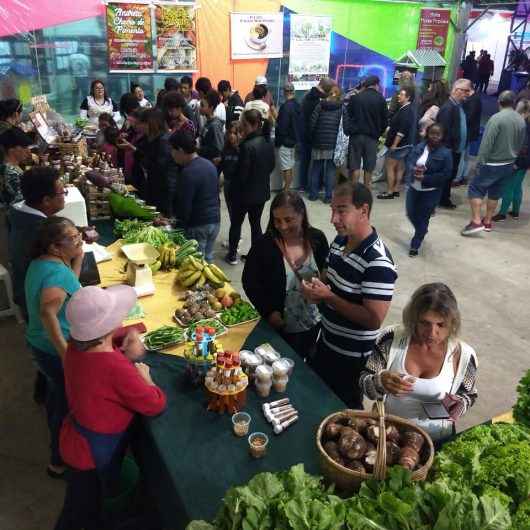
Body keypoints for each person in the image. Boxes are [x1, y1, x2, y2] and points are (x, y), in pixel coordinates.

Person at [55, 285, 166, 530]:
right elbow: (154, 403)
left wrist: (130, 333)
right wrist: (147, 379)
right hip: (92, 456)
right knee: (83, 512)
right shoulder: (116, 368)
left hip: (75, 438)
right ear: (106, 328)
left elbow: (100, 344)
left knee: (78, 502)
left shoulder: (74, 347)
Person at [301, 182, 397, 408]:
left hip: (352, 360)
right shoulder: (340, 241)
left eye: (341, 210)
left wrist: (328, 297)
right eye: (332, 210)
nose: (333, 218)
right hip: (325, 343)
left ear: (363, 211)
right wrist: (315, 288)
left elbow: (373, 319)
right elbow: (328, 277)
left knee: (343, 414)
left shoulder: (378, 262)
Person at [360, 283, 478, 443]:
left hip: (435, 441)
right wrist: (380, 382)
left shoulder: (464, 356)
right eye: (424, 323)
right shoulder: (390, 339)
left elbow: (469, 395)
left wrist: (456, 406)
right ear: (413, 318)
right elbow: (365, 384)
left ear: (452, 323)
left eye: (441, 325)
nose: (432, 333)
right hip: (387, 435)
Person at [25, 217, 83, 478]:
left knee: (55, 391)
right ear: (54, 247)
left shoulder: (43, 264)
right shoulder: (55, 273)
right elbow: (49, 312)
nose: (79, 238)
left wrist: (77, 258)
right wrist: (65, 354)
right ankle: (57, 461)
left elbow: (69, 287)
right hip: (53, 348)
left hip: (39, 342)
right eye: (72, 237)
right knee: (63, 403)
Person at [242, 191, 329, 356]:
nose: (282, 226)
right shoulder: (264, 245)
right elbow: (249, 281)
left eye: (289, 220)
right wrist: (269, 311)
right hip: (279, 327)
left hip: (312, 322)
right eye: (277, 220)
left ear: (301, 215)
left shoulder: (317, 239)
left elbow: (327, 273)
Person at [462, 90, 526, 235]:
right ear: (513, 102)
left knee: (475, 189)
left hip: (492, 163)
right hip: (508, 164)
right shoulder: (520, 119)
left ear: (499, 102)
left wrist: (479, 163)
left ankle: (476, 221)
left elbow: (486, 144)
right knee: (495, 194)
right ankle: (488, 221)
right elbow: (520, 143)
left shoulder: (496, 119)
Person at [8, 167, 67, 313]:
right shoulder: (40, 233)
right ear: (46, 200)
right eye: (62, 192)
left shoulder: (19, 212)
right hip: (39, 304)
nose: (65, 196)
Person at [225, 109, 275, 265]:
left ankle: (232, 255)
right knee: (256, 225)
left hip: (243, 195)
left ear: (253, 125)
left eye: (244, 125)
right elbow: (271, 166)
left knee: (236, 224)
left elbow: (242, 175)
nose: (242, 129)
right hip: (261, 193)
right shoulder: (268, 141)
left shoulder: (247, 146)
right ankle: (256, 257)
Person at [169, 130, 220, 263]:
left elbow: (185, 207)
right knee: (207, 260)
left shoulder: (188, 172)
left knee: (195, 263)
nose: (171, 155)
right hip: (214, 221)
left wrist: (176, 225)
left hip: (198, 225)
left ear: (180, 150)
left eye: (172, 150)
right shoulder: (209, 165)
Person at [406, 124, 453, 256]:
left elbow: (447, 174)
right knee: (410, 213)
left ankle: (415, 244)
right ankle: (422, 229)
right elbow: (409, 161)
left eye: (438, 134)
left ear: (442, 136)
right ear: (428, 133)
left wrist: (425, 178)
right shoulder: (419, 147)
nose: (435, 136)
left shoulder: (446, 153)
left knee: (423, 216)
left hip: (431, 191)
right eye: (432, 133)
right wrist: (413, 169)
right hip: (414, 187)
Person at [345, 75, 388, 188]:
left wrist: (348, 130)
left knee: (355, 165)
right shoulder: (381, 99)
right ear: (376, 85)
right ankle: (366, 189)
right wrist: (379, 132)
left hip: (356, 136)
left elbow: (348, 116)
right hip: (372, 138)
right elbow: (385, 121)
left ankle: (353, 190)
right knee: (369, 166)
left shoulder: (356, 98)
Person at [436, 78, 472, 208]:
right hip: (449, 150)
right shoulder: (448, 108)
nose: (468, 94)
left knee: (449, 176)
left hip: (455, 150)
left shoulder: (457, 106)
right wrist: (449, 150)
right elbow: (443, 132)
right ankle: (442, 200)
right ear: (457, 90)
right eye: (466, 91)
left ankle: (444, 197)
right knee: (446, 176)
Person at [493, 99, 530, 221]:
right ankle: (515, 212)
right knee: (517, 186)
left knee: (508, 187)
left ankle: (502, 213)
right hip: (526, 162)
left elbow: (522, 147)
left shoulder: (522, 126)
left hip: (518, 161)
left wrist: (515, 163)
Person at [377, 86, 415, 199]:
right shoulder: (406, 109)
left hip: (398, 145)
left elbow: (401, 130)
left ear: (408, 97)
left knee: (390, 167)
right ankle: (396, 188)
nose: (399, 96)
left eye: (401, 94)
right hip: (405, 145)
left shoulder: (405, 111)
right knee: (400, 167)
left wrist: (394, 144)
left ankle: (389, 192)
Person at [134, 108, 172, 214]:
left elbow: (160, 168)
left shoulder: (163, 142)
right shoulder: (149, 139)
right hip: (152, 187)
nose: (141, 127)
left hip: (162, 191)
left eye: (143, 123)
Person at [308, 87, 342, 203]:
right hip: (333, 143)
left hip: (318, 142)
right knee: (330, 171)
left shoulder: (320, 106)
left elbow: (312, 123)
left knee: (316, 168)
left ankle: (313, 195)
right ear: (338, 95)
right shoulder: (341, 108)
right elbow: (344, 125)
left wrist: (313, 136)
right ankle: (328, 197)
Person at [300, 77, 334, 190]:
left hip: (304, 133)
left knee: (305, 161)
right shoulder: (321, 101)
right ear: (327, 89)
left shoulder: (306, 96)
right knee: (317, 164)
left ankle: (303, 185)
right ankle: (316, 186)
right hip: (315, 135)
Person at [454, 86, 483, 186]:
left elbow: (468, 117)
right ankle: (463, 176)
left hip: (468, 132)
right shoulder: (475, 98)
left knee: (463, 155)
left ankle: (458, 178)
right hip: (470, 132)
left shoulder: (472, 100)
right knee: (466, 155)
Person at [275, 82, 302, 190]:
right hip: (293, 141)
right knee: (290, 166)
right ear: (293, 92)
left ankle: (285, 191)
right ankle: (287, 189)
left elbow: (282, 126)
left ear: (285, 92)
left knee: (286, 168)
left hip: (285, 141)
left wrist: (279, 141)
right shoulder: (297, 105)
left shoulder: (285, 107)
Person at [0, 126, 33, 207]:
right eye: (24, 147)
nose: (28, 151)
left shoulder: (11, 167)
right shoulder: (10, 173)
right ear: (11, 150)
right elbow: (20, 204)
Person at [220, 121, 241, 223]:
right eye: (230, 133)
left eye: (235, 133)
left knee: (237, 212)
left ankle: (237, 235)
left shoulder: (243, 149)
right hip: (228, 183)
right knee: (231, 211)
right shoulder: (225, 149)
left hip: (238, 184)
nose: (232, 136)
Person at [198, 89, 225, 165]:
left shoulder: (214, 125)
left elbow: (218, 148)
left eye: (202, 106)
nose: (200, 108)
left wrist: (200, 149)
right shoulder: (208, 123)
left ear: (211, 108)